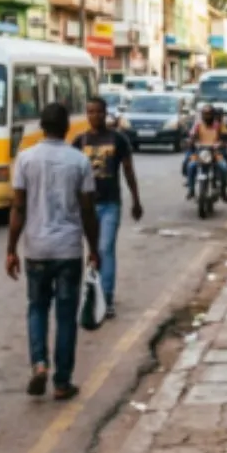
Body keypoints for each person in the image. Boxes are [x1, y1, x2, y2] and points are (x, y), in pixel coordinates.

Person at [6, 102, 100, 402]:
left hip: (36, 248)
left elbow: (18, 207)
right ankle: (62, 382)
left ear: (41, 128)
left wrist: (11, 249)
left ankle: (39, 364)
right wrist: (94, 249)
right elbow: (88, 211)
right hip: (68, 249)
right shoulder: (79, 161)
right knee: (65, 316)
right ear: (66, 128)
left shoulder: (25, 159)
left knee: (36, 308)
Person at [72, 97, 144, 319]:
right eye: (90, 112)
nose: (94, 116)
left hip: (110, 204)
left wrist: (136, 200)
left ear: (105, 113)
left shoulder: (118, 139)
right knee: (88, 251)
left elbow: (128, 171)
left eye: (98, 112)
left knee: (105, 249)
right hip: (85, 207)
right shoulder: (79, 141)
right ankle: (90, 293)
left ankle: (107, 298)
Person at [185, 104, 227, 201]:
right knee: (191, 166)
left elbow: (225, 137)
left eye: (209, 114)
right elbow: (192, 135)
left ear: (213, 114)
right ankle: (191, 190)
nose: (207, 116)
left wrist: (220, 143)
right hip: (200, 153)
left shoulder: (218, 125)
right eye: (205, 114)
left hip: (215, 153)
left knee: (224, 168)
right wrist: (191, 141)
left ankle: (223, 190)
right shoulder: (198, 125)